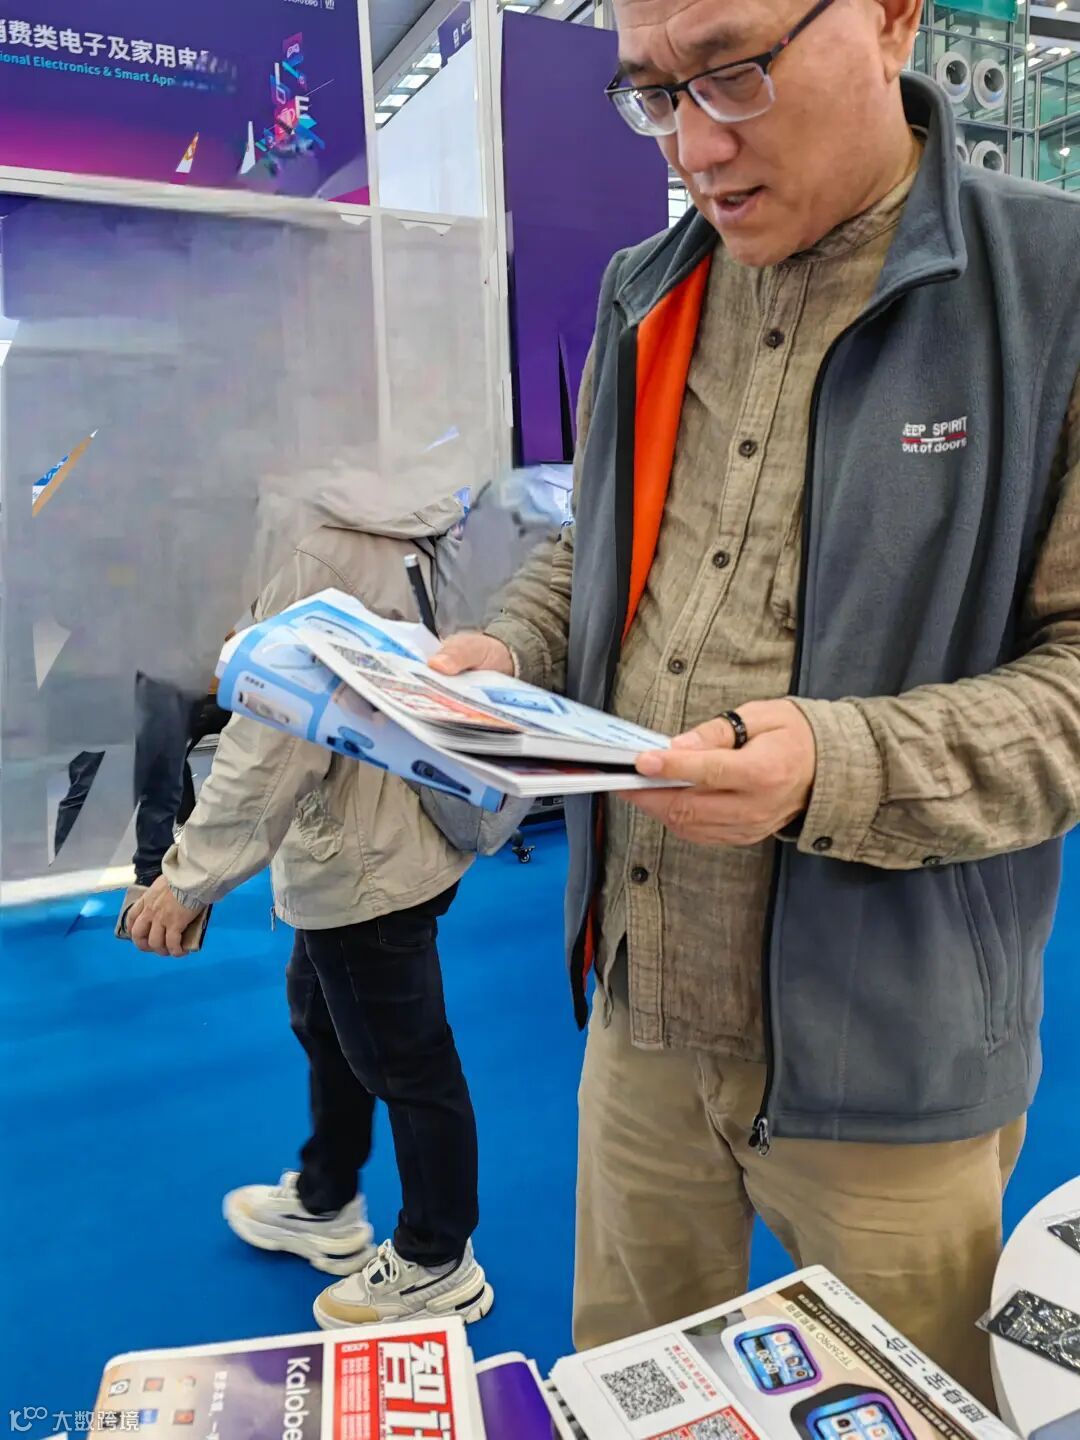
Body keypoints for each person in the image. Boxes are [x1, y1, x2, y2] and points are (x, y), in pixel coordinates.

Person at [430, 0, 1080, 1405]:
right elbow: (600, 545)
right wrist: (509, 648)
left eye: (734, 72)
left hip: (892, 1042)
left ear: (895, 19)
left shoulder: (1053, 291)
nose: (697, 147)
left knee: (913, 1403)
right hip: (643, 999)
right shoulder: (647, 289)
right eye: (655, 93)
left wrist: (837, 764)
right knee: (625, 1390)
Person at [128, 478, 494, 1331]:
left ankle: (438, 1258)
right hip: (404, 824)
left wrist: (188, 879)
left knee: (406, 1059)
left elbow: (272, 745)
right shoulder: (401, 511)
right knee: (327, 1019)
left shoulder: (311, 548)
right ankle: (329, 1199)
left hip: (364, 855)